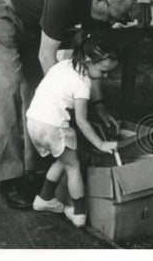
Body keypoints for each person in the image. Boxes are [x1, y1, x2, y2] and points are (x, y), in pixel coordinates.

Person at [0, 0, 134, 209]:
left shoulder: (95, 0)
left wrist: (99, 104)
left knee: (35, 90)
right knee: (8, 89)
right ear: (101, 0)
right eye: (113, 17)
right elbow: (47, 57)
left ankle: (34, 169)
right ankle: (10, 178)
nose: (112, 23)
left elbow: (89, 62)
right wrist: (70, 106)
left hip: (31, 19)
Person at [27, 29, 121, 228]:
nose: (104, 76)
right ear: (88, 60)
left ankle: (44, 199)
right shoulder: (83, 83)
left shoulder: (63, 65)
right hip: (53, 125)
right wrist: (100, 143)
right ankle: (78, 213)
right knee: (73, 165)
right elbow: (82, 120)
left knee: (64, 158)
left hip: (34, 121)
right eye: (103, 71)